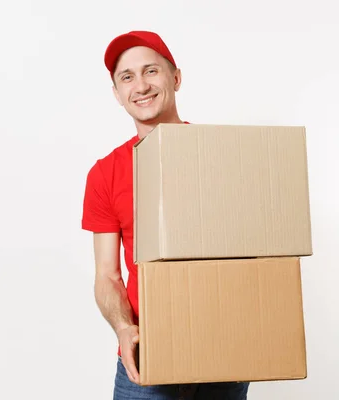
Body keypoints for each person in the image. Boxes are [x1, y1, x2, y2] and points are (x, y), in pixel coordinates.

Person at [81, 30, 250, 400]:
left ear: (175, 78)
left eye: (151, 71)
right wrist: (124, 328)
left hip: (224, 354)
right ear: (116, 93)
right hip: (147, 360)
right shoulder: (105, 174)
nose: (140, 85)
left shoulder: (224, 156)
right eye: (127, 77)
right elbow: (107, 275)